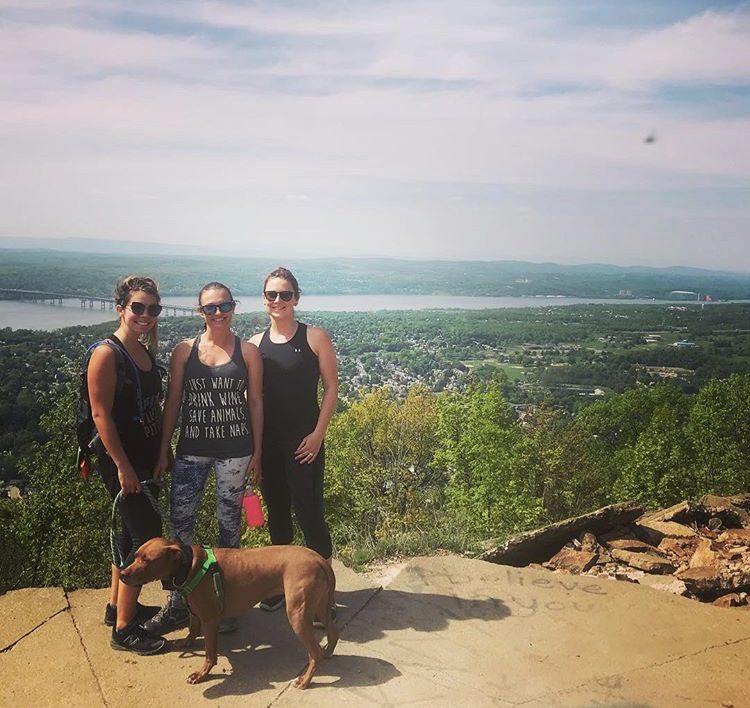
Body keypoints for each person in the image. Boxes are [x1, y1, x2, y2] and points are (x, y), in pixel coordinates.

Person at [144, 282, 263, 634]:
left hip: (236, 451)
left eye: (224, 305)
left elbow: (255, 402)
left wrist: (258, 452)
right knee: (180, 528)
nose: (218, 313)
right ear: (200, 312)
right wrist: (165, 449)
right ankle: (180, 604)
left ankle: (225, 603)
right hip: (192, 450)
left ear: (233, 307)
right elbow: (174, 401)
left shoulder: (248, 351)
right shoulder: (185, 350)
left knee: (230, 528)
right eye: (210, 308)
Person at [249, 267, 337, 616]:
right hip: (269, 444)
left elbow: (331, 387)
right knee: (278, 516)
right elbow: (251, 398)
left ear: (296, 298)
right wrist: (253, 451)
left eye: (285, 295)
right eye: (272, 295)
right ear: (264, 299)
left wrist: (318, 435)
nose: (278, 301)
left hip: (305, 443)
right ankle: (278, 586)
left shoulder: (314, 337)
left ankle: (325, 595)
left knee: (310, 515)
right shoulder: (255, 345)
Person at [87, 275, 167, 655]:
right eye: (138, 307)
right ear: (120, 308)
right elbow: (101, 415)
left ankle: (116, 606)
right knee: (144, 537)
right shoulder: (108, 353)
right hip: (122, 460)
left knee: (125, 534)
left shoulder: (142, 350)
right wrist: (123, 466)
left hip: (143, 458)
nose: (145, 315)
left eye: (153, 309)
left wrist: (157, 455)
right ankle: (124, 630)